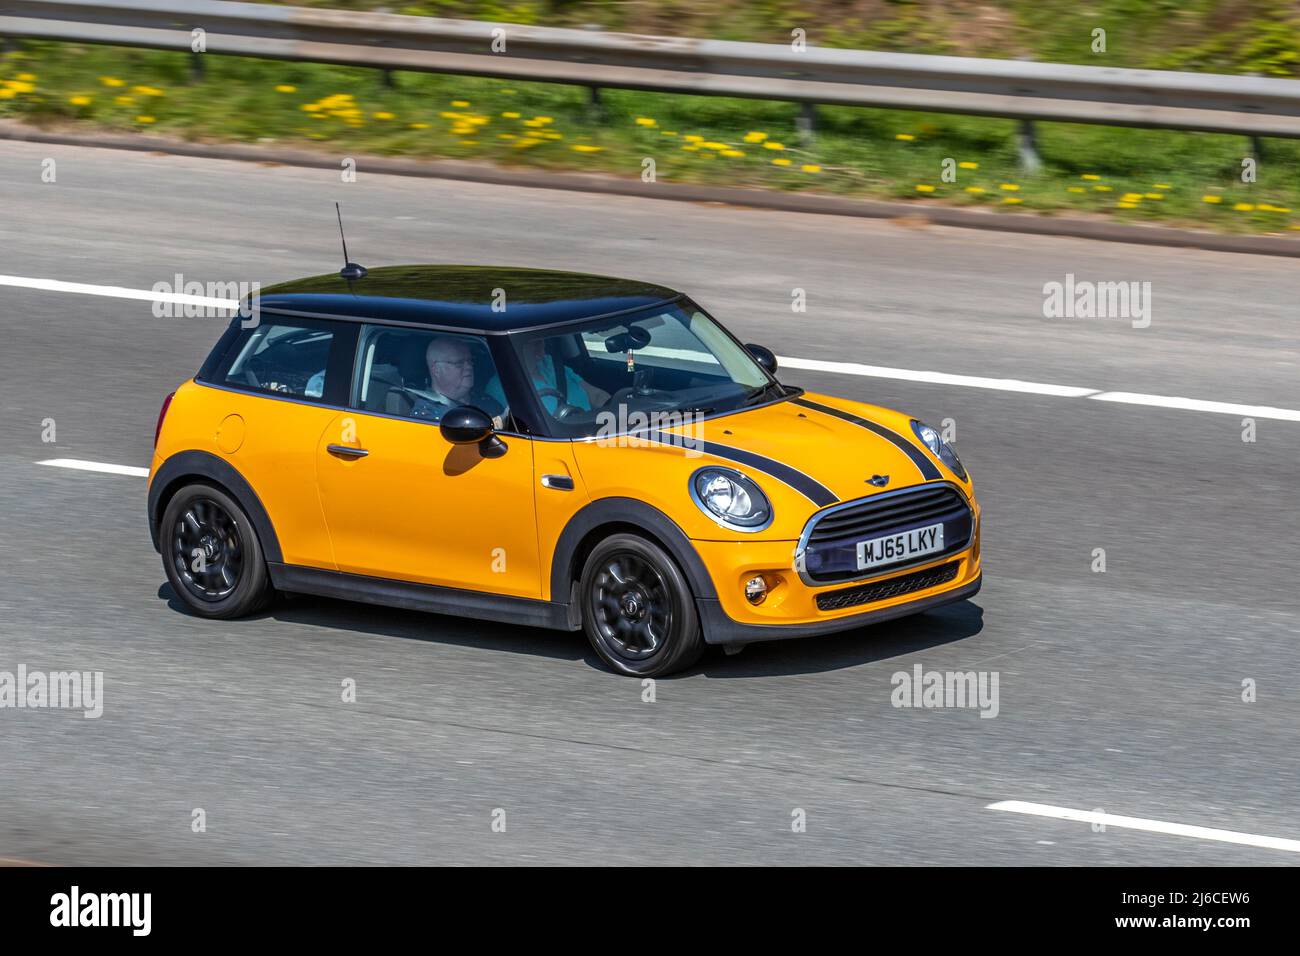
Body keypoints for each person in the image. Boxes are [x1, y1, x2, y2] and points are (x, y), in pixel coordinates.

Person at [486, 337, 596, 416]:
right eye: (535, 345)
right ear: (515, 347)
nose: (542, 353)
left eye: (542, 342)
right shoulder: (500, 386)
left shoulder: (550, 363)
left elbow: (596, 394)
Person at [407, 336, 503, 423]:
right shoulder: (426, 416)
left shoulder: (484, 399)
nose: (469, 367)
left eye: (470, 361)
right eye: (459, 363)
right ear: (436, 369)